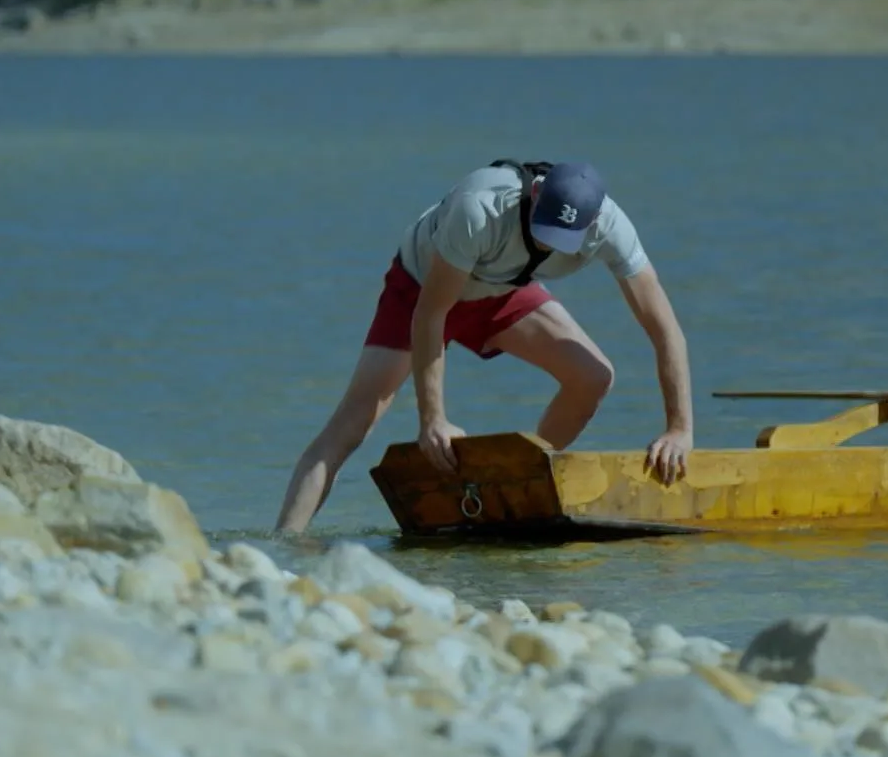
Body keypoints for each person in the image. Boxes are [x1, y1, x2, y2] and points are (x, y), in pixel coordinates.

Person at [273, 159, 694, 533]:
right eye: (543, 230)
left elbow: (664, 327)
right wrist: (433, 420)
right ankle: (284, 546)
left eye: (562, 238)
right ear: (533, 194)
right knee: (353, 423)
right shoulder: (480, 207)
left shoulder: (611, 226)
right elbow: (431, 314)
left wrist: (679, 428)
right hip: (421, 290)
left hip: (503, 292)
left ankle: (516, 491)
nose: (548, 245)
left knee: (593, 377)